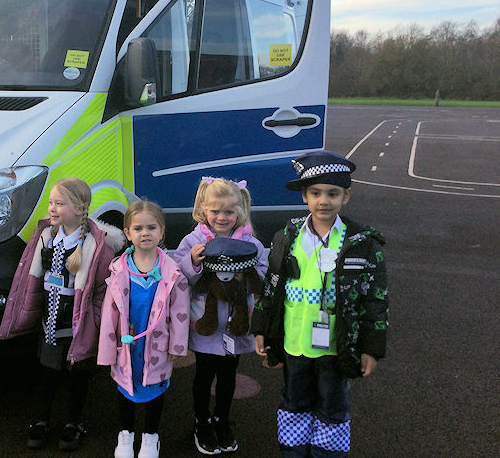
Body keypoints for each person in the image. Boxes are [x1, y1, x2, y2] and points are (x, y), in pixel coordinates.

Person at [251, 151, 389, 458]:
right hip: (295, 343)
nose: (323, 201)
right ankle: (294, 452)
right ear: (304, 196)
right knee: (294, 403)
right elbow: (272, 286)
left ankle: (327, 454)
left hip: (336, 347)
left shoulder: (362, 242)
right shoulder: (287, 236)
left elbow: (376, 299)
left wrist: (371, 347)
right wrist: (260, 327)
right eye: (315, 193)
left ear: (347, 196)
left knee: (332, 406)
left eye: (333, 193)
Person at [0, 178, 126, 451]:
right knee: (48, 372)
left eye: (59, 203)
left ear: (80, 209)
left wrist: (96, 320)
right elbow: (30, 277)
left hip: (80, 323)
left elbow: (105, 290)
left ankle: (74, 422)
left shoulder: (97, 246)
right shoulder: (45, 236)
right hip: (50, 321)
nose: (52, 208)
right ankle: (42, 419)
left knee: (79, 375)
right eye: (51, 203)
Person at [174, 177, 268, 455]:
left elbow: (261, 275)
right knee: (203, 374)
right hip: (206, 323)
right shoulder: (193, 240)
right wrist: (191, 261)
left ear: (240, 210)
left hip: (235, 325)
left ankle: (223, 419)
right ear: (204, 209)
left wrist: (246, 276)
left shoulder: (251, 243)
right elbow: (180, 276)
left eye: (229, 211)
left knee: (228, 375)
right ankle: (202, 421)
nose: (222, 217)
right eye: (215, 211)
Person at [98, 200, 190, 458]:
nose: (145, 233)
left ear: (162, 231)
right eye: (138, 228)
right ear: (127, 233)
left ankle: (151, 436)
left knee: (155, 388)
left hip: (157, 346)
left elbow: (179, 314)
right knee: (126, 388)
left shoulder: (173, 273)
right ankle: (125, 435)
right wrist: (107, 350)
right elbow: (109, 315)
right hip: (126, 346)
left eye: (151, 227)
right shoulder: (118, 270)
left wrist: (176, 346)